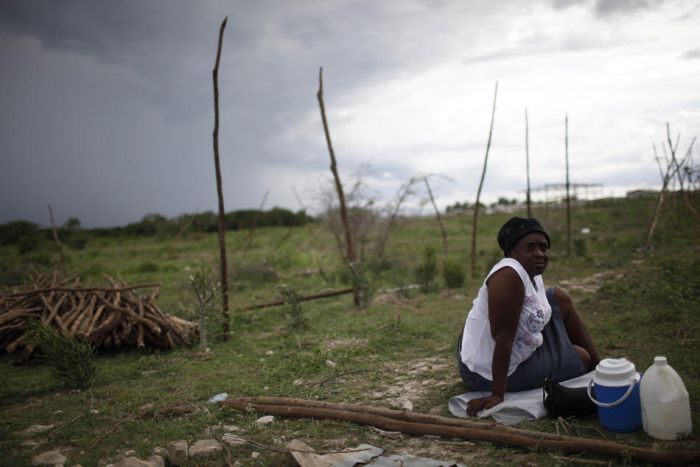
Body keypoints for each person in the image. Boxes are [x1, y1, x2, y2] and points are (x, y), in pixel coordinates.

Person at [457, 216, 599, 416]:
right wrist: (497, 395)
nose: (539, 254)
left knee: (560, 297)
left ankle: (600, 368)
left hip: (500, 348)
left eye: (543, 247)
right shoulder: (508, 275)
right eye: (530, 248)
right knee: (582, 357)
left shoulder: (531, 272)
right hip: (486, 371)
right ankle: (592, 367)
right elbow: (503, 339)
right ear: (511, 252)